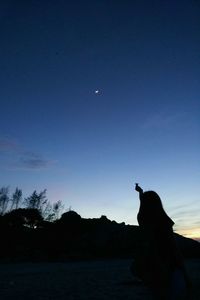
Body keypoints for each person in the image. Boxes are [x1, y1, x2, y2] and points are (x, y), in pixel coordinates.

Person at [133, 183, 191, 300]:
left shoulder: (143, 221)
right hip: (166, 265)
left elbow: (142, 209)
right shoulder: (164, 221)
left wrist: (140, 193)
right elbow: (174, 248)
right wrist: (185, 275)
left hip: (150, 266)